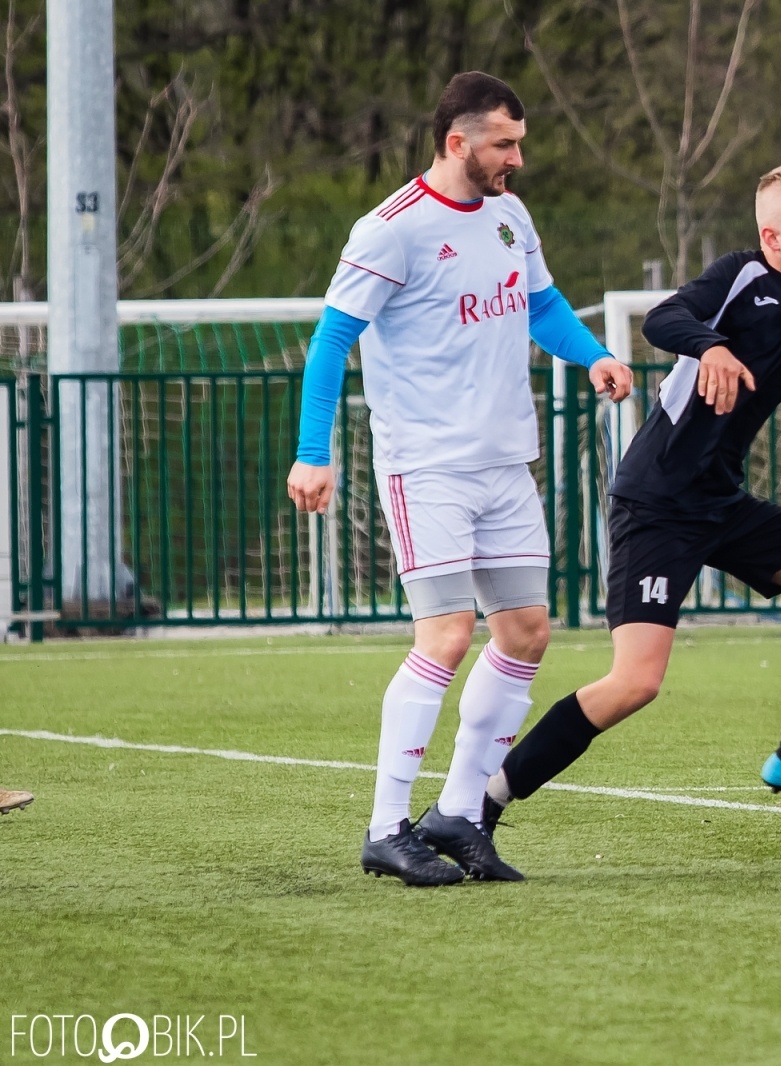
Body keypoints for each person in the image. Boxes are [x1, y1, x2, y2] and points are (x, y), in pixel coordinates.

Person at [287, 72, 632, 887]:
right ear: (457, 143)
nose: (517, 158)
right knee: (444, 637)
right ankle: (386, 828)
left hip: (506, 463)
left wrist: (593, 356)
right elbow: (332, 339)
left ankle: (458, 813)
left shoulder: (512, 217)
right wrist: (312, 451)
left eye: (519, 142)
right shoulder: (391, 229)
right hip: (427, 466)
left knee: (526, 633)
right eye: (504, 144)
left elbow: (541, 306)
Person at [483, 162, 781, 835]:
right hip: (657, 504)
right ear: (772, 237)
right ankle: (481, 804)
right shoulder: (739, 276)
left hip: (723, 504)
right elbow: (664, 319)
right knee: (635, 684)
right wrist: (710, 348)